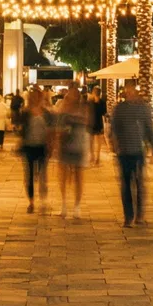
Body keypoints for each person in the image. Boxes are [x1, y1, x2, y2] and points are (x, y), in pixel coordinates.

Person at [109, 82, 153, 228]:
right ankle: (128, 216)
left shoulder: (143, 108)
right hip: (124, 152)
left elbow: (148, 127)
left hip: (138, 151)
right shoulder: (119, 109)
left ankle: (139, 215)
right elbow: (113, 128)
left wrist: (151, 144)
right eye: (128, 91)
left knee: (139, 183)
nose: (130, 94)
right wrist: (115, 144)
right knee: (126, 184)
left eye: (132, 91)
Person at [56, 84, 91, 219]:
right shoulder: (63, 108)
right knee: (63, 176)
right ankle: (64, 204)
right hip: (65, 145)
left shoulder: (83, 108)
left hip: (78, 145)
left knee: (78, 177)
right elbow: (58, 127)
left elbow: (87, 124)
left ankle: (76, 206)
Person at [19, 84, 52, 214]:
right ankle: (31, 202)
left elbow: (50, 130)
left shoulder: (46, 113)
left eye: (38, 96)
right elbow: (22, 130)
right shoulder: (26, 112)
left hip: (42, 147)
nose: (36, 98)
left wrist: (51, 144)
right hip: (29, 147)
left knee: (42, 176)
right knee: (30, 177)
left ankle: (43, 201)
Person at [89, 88, 108, 166]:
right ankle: (97, 158)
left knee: (91, 142)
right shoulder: (102, 102)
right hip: (99, 123)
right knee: (98, 142)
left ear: (94, 93)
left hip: (91, 123)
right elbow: (104, 113)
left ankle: (93, 157)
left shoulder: (90, 102)